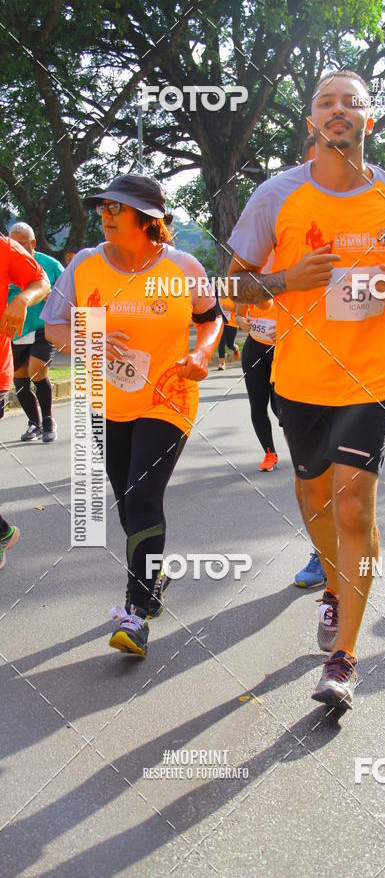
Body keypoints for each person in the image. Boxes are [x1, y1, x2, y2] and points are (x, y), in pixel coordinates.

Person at [227, 70, 385, 710]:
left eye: (351, 102)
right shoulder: (276, 196)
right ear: (311, 121)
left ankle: (343, 658)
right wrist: (286, 277)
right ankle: (335, 588)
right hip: (300, 377)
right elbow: (231, 286)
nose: (338, 111)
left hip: (371, 376)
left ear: (370, 118)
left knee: (352, 506)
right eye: (326, 103)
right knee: (316, 501)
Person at [43, 174, 223, 655]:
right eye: (103, 207)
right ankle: (155, 574)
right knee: (127, 500)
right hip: (106, 400)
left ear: (147, 219)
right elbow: (54, 326)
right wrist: (89, 339)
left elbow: (211, 319)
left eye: (115, 209)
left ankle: (137, 611)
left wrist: (203, 353)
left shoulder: (183, 268)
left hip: (168, 398)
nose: (105, 215)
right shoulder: (83, 265)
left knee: (143, 496)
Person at [0, 235, 51, 567]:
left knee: (35, 374)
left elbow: (41, 281)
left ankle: (45, 421)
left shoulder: (3, 247)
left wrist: (21, 300)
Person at [8, 222, 63, 442]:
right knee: (20, 380)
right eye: (13, 244)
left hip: (43, 328)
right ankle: (34, 423)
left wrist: (55, 298)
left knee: (37, 369)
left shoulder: (50, 265)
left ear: (33, 243)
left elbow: (69, 291)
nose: (17, 248)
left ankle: (48, 419)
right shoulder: (7, 264)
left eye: (22, 244)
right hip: (15, 330)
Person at [235, 295, 279, 471]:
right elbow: (239, 315)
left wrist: (289, 328)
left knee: (281, 406)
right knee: (258, 404)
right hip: (254, 349)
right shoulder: (249, 278)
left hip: (281, 349)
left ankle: (304, 449)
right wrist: (241, 322)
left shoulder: (286, 276)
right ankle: (270, 453)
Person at [217, 297, 240, 369]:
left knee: (230, 344)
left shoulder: (233, 297)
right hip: (221, 323)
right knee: (221, 342)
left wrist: (226, 308)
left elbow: (238, 309)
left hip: (232, 324)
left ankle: (235, 347)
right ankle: (222, 363)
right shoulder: (218, 298)